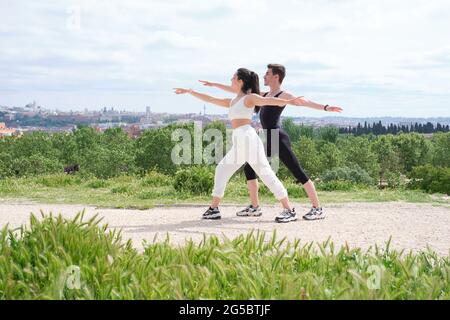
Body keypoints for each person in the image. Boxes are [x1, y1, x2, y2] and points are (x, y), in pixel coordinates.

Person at [199, 64, 343, 221]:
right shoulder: (264, 93)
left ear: (276, 76)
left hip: (277, 137)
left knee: (296, 171)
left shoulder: (283, 94)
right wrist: (214, 85)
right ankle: (255, 207)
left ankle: (317, 208)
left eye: (267, 74)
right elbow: (238, 91)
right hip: (265, 137)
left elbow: (304, 102)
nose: (264, 76)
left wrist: (326, 107)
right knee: (249, 166)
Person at [174, 68, 305, 223]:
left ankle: (289, 210)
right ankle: (214, 209)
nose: (230, 79)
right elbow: (210, 99)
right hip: (238, 140)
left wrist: (288, 102)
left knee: (265, 173)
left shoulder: (249, 98)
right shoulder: (233, 101)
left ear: (240, 81)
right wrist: (190, 91)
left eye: (233, 77)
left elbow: (267, 101)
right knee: (222, 168)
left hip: (248, 139)